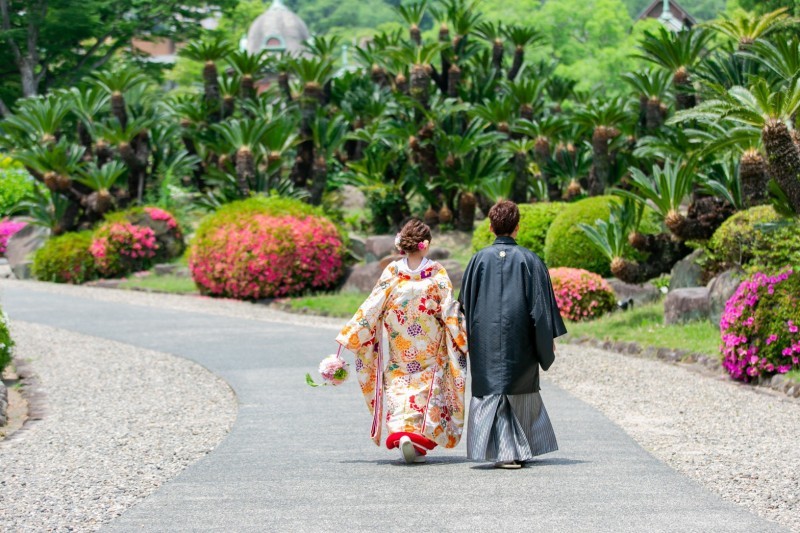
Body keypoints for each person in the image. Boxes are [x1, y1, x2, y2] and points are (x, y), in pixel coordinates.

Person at [336, 219, 468, 464]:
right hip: (430, 350)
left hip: (401, 350)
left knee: (400, 389)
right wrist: (463, 338)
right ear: (425, 245)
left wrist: (349, 336)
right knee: (428, 394)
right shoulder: (436, 273)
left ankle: (404, 437)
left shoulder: (393, 273)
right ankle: (416, 440)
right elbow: (450, 309)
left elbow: (372, 306)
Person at [459, 200, 567, 469]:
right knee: (516, 389)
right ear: (517, 227)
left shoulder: (477, 260)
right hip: (521, 338)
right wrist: (546, 341)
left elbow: (465, 304)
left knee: (493, 389)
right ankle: (512, 451)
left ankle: (504, 451)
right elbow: (541, 310)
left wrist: (467, 337)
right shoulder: (530, 260)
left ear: (490, 226)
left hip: (484, 339)